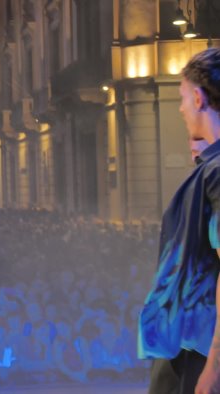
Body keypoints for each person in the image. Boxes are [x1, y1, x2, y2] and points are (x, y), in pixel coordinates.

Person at [138, 47, 220, 394]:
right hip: (186, 344)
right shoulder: (209, 170)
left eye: (183, 97)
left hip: (196, 351)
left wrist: (213, 369)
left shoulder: (216, 173)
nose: (182, 108)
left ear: (199, 98)